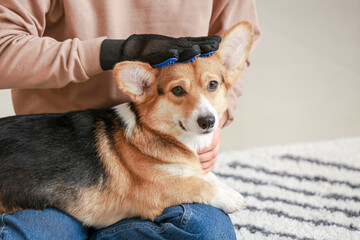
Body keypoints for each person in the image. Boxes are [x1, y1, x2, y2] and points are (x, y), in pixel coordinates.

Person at [0, 0, 260, 239]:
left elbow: (231, 59)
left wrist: (219, 116)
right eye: (179, 91)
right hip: (48, 162)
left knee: (210, 233)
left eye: (211, 86)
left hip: (161, 140)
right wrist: (111, 52)